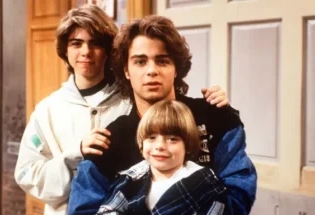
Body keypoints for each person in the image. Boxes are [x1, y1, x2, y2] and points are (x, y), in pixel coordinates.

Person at [14, 5, 227, 215]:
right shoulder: (47, 110)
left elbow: (171, 110)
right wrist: (75, 155)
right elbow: (26, 174)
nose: (85, 52)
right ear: (65, 50)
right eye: (76, 44)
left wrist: (215, 103)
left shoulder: (134, 98)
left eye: (96, 44)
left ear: (109, 51)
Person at [68, 15, 256, 215]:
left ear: (176, 69)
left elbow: (239, 192)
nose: (152, 71)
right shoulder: (109, 141)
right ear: (126, 70)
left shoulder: (215, 117)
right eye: (140, 62)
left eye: (162, 61)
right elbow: (82, 210)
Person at [98, 100, 229, 214]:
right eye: (151, 138)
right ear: (141, 143)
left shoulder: (203, 182)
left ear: (187, 145)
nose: (160, 146)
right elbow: (108, 210)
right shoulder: (131, 179)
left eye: (172, 139)